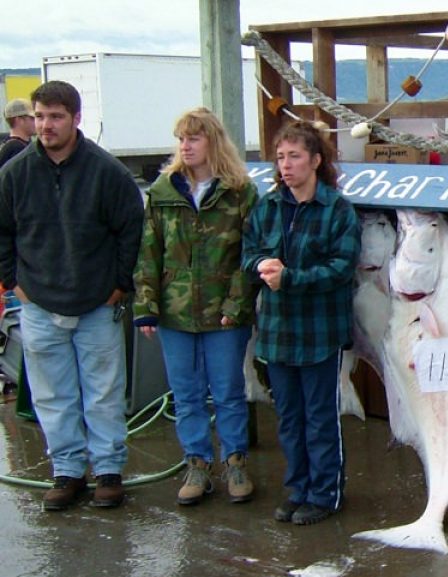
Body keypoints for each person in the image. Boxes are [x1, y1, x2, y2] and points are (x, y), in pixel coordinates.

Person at [0, 80, 144, 510]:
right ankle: (66, 471)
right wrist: (15, 283)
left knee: (102, 392)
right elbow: (3, 233)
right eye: (40, 116)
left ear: (76, 119)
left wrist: (119, 285)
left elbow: (130, 231)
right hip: (39, 302)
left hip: (97, 303)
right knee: (51, 393)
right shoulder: (14, 175)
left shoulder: (108, 172)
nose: (46, 125)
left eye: (56, 116)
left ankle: (107, 471)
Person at [133, 107, 259, 506]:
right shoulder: (162, 192)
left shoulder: (240, 192)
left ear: (213, 142)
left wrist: (237, 304)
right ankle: (197, 463)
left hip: (224, 314)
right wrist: (146, 306)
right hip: (176, 312)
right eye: (181, 139)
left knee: (227, 391)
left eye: (194, 138)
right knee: (185, 394)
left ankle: (235, 461)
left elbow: (250, 253)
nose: (185, 146)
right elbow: (148, 252)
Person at [242, 120, 359, 526]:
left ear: (315, 160)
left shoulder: (337, 210)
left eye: (294, 156)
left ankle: (326, 493)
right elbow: (248, 252)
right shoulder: (268, 206)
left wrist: (290, 278)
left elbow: (341, 268)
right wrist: (260, 264)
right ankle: (299, 488)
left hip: (320, 333)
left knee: (320, 416)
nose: (286, 165)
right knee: (289, 416)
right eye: (280, 157)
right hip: (277, 333)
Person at [1, 98, 36, 169]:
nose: (37, 122)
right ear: (19, 120)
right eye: (32, 118)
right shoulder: (17, 148)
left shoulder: (6, 143)